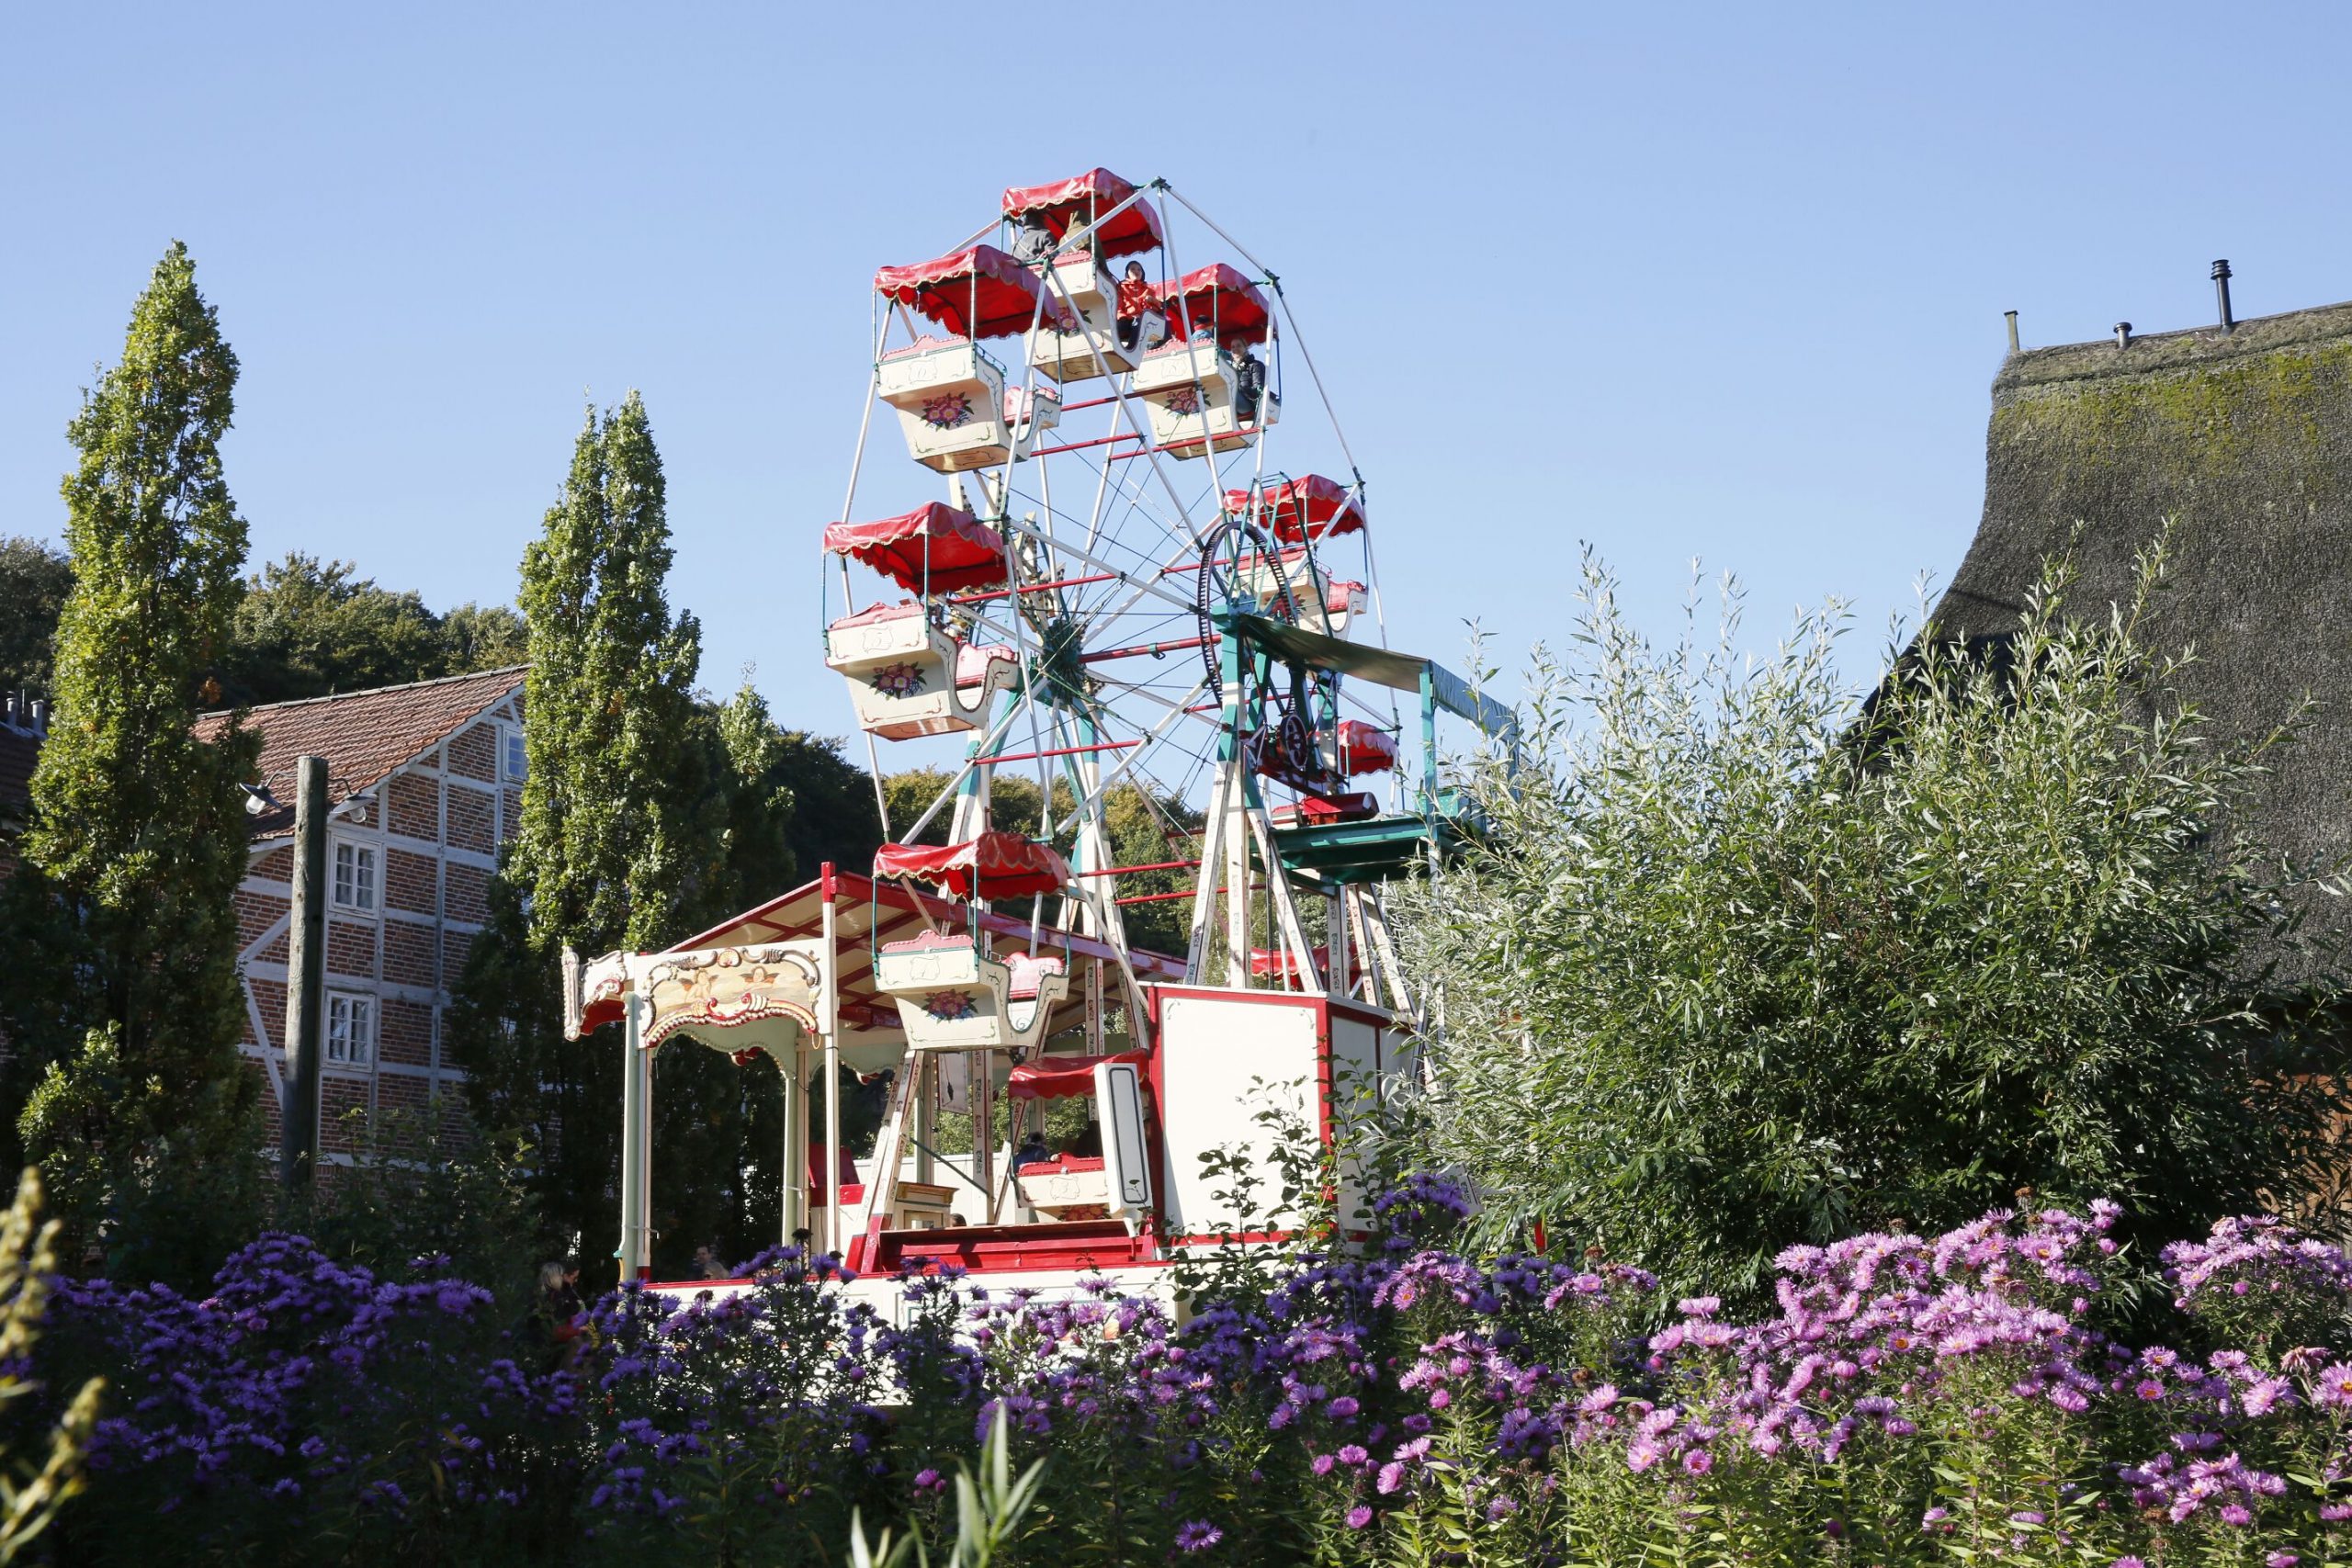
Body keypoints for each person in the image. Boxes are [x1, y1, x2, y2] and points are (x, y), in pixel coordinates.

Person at [1114, 260, 1164, 354]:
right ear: (1127, 274)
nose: (1136, 271)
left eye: (1139, 269)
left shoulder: (1149, 290)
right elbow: (1118, 305)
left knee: (1139, 323)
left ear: (1142, 273)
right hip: (1126, 319)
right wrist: (1124, 317)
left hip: (1143, 320)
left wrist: (1152, 301)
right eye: (1132, 269)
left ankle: (1131, 349)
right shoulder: (1121, 288)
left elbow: (1158, 308)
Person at [1231, 339, 1267, 423]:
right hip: (1234, 405)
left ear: (1245, 348)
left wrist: (1242, 389)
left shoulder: (1255, 365)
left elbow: (1257, 391)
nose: (1235, 348)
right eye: (1233, 347)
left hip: (1248, 404)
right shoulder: (1230, 369)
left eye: (1239, 346)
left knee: (1230, 391)